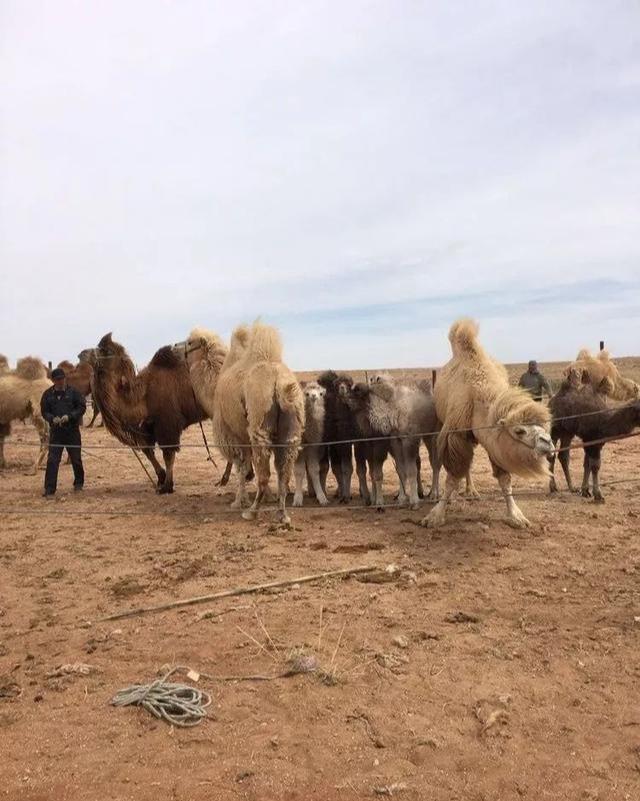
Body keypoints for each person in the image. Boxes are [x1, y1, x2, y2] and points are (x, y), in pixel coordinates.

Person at [41, 367, 86, 497]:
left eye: (62, 379)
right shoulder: (47, 395)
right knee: (52, 460)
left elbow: (81, 407)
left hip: (72, 431)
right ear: (53, 380)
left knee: (76, 459)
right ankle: (49, 489)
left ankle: (79, 483)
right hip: (56, 433)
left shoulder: (74, 393)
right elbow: (44, 411)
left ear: (65, 379)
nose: (60, 382)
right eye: (57, 380)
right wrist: (51, 418)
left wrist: (70, 416)